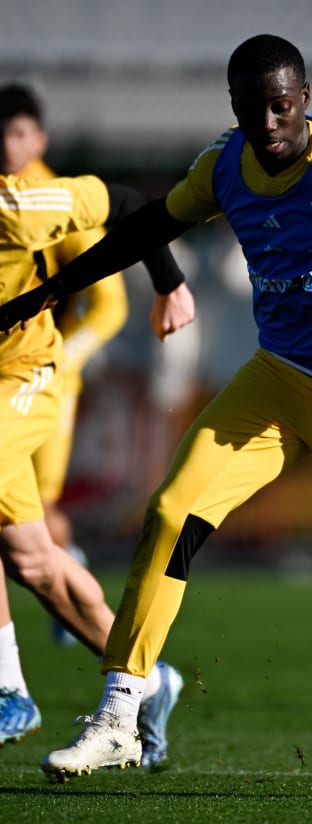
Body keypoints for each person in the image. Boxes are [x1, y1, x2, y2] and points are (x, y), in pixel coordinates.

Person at [0, 34, 312, 780]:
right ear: (233, 106)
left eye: (281, 106)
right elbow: (149, 223)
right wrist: (49, 291)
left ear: (305, 100)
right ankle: (119, 713)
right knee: (170, 514)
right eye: (252, 107)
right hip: (276, 383)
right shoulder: (224, 165)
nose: (268, 123)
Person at [0, 168, 193, 768]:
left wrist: (170, 284)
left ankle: (8, 689)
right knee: (34, 564)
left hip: (23, 374)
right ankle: (152, 684)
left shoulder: (19, 205)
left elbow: (129, 203)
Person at [0, 83, 130, 646]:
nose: (8, 144)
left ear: (40, 138)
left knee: (44, 510)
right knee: (32, 544)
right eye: (1, 133)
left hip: (39, 375)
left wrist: (66, 364)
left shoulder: (41, 202)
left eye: (19, 132)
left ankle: (12, 686)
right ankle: (140, 674)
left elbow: (111, 303)